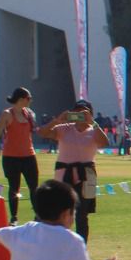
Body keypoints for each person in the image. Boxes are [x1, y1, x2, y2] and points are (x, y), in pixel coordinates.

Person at [36, 100, 108, 242]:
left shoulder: (94, 131)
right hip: (64, 176)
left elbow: (105, 142)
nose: (79, 115)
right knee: (58, 213)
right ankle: (58, 244)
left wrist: (92, 122)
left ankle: (80, 248)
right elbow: (42, 133)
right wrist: (56, 120)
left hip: (87, 176)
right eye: (77, 112)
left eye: (83, 113)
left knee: (82, 215)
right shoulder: (64, 128)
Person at [0, 87, 42, 221]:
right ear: (20, 99)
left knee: (34, 187)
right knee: (14, 187)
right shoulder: (7, 114)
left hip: (29, 155)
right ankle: (14, 217)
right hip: (11, 157)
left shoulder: (29, 113)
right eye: (28, 98)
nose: (30, 100)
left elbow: (35, 130)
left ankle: (38, 215)